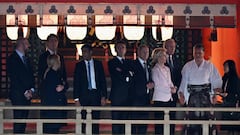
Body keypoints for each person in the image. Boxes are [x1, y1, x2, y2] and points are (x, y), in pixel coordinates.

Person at [178, 44, 222, 135]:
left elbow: (215, 80)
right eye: (195, 53)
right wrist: (182, 94)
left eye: (199, 53)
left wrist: (214, 95)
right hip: (192, 95)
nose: (197, 55)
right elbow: (184, 81)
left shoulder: (209, 65)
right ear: (193, 53)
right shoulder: (188, 66)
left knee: (207, 118)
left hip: (205, 95)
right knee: (192, 119)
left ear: (203, 53)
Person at [73, 44, 107, 134]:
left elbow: (102, 81)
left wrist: (103, 96)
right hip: (83, 95)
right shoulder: (79, 66)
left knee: (95, 119)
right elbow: (76, 82)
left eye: (85, 52)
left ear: (90, 52)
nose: (84, 54)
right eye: (82, 52)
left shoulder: (98, 64)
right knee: (83, 119)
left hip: (95, 95)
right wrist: (76, 99)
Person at [6, 37, 35, 133]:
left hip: (28, 94)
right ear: (21, 44)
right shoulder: (12, 59)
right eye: (27, 44)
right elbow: (14, 78)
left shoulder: (27, 59)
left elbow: (31, 76)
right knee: (18, 120)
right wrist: (25, 91)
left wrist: (31, 89)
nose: (29, 46)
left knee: (24, 120)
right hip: (18, 94)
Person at [108, 41, 134, 134]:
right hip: (117, 96)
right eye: (119, 48)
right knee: (116, 120)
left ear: (125, 49)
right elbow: (117, 75)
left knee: (125, 120)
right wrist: (127, 73)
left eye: (123, 47)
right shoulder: (112, 62)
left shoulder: (129, 62)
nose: (121, 49)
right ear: (115, 49)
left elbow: (132, 75)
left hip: (128, 95)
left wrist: (124, 72)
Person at [151, 48, 177, 135]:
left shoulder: (167, 69)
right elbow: (158, 85)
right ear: (158, 57)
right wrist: (170, 90)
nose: (165, 57)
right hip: (159, 98)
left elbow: (170, 82)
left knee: (170, 122)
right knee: (160, 124)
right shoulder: (155, 70)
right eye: (163, 56)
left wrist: (173, 88)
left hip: (169, 98)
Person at [130, 45, 154, 135]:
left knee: (144, 124)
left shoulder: (148, 65)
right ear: (139, 52)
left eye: (147, 52)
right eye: (144, 52)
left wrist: (152, 84)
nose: (146, 54)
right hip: (135, 99)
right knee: (134, 124)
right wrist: (145, 87)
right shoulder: (133, 64)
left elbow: (149, 79)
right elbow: (133, 82)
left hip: (146, 99)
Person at [40, 54, 68, 134]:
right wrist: (62, 88)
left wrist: (63, 87)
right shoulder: (51, 75)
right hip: (53, 109)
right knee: (52, 130)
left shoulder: (55, 73)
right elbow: (56, 90)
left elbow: (64, 84)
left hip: (53, 108)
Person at [164, 39, 182, 135]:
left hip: (174, 93)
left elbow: (179, 77)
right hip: (163, 94)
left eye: (174, 47)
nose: (172, 49)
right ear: (165, 47)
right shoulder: (160, 59)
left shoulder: (177, 60)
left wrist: (176, 87)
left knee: (172, 116)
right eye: (170, 46)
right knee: (162, 117)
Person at [219, 60, 240, 131]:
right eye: (224, 66)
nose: (224, 68)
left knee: (231, 123)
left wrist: (227, 95)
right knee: (225, 122)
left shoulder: (235, 79)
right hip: (225, 102)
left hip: (232, 103)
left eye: (226, 66)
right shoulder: (224, 78)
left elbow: (236, 93)